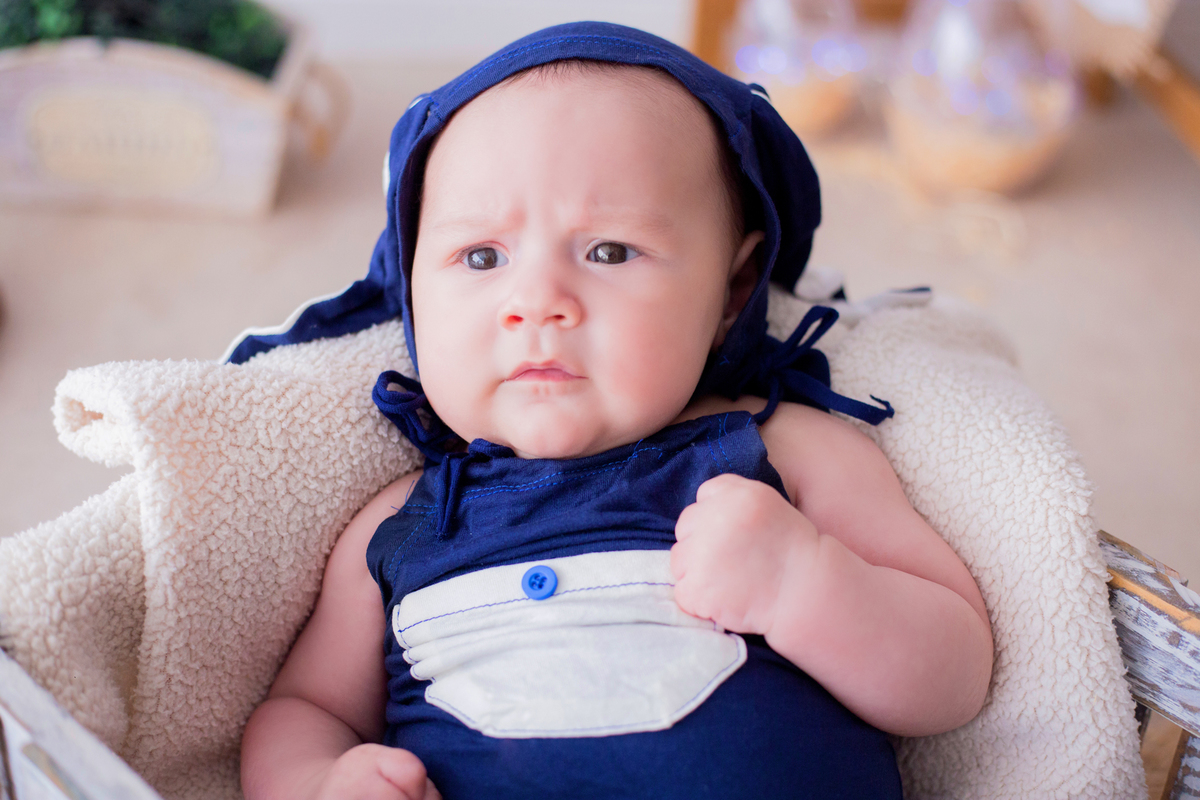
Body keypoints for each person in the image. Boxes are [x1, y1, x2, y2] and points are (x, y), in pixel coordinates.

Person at [238, 22, 994, 800]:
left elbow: (956, 674)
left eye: (608, 251)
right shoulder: (401, 525)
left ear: (731, 293)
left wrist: (804, 582)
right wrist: (320, 782)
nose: (537, 302)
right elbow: (307, 709)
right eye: (482, 256)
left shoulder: (781, 453)